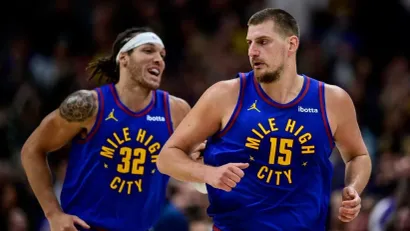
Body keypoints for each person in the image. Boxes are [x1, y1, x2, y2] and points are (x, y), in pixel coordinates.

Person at [156, 8, 372, 231]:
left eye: (262, 42)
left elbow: (359, 155)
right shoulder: (225, 95)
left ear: (291, 44)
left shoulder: (332, 100)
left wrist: (353, 188)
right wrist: (209, 173)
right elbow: (166, 157)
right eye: (250, 43)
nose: (252, 51)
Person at [21, 27, 197, 231]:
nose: (158, 59)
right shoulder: (88, 105)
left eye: (162, 54)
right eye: (148, 51)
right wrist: (53, 213)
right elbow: (31, 150)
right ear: (124, 58)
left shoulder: (176, 110)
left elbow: (196, 162)